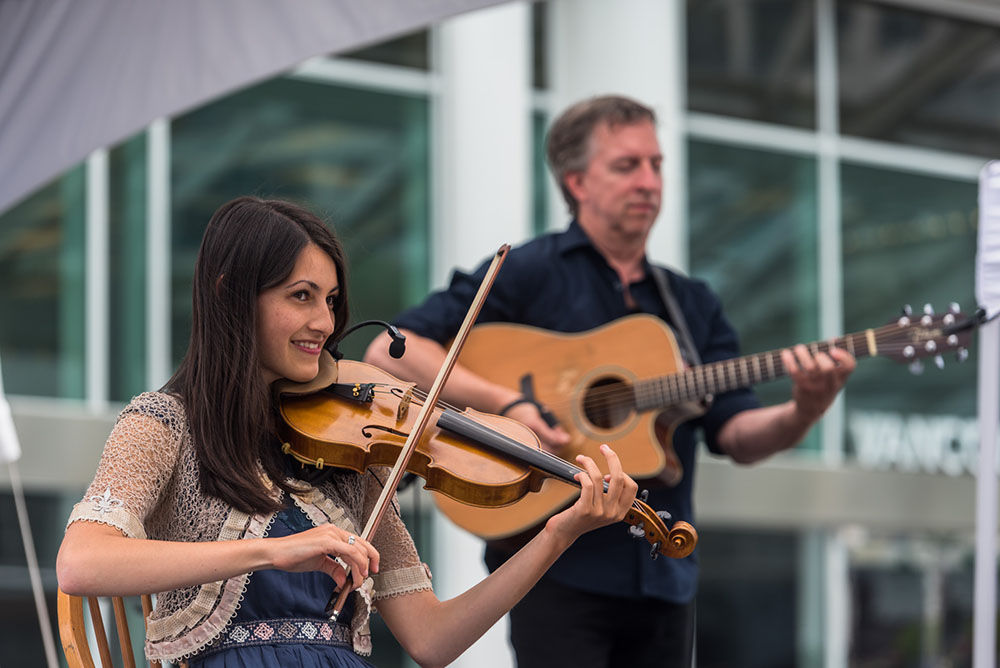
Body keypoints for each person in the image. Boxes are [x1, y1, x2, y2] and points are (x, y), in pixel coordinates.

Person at [364, 95, 856, 668]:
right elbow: (392, 349)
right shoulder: (529, 271)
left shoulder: (691, 304)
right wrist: (508, 401)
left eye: (656, 164)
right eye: (628, 165)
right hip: (551, 567)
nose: (649, 181)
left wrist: (804, 409)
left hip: (664, 567)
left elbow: (738, 435)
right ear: (577, 182)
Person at [55, 196, 639, 668]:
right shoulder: (165, 424)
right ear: (229, 294)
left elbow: (432, 641)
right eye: (300, 296)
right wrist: (272, 553)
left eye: (331, 300)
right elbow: (81, 564)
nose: (325, 323)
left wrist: (560, 535)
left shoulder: (347, 454)